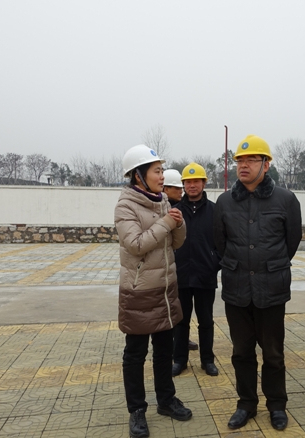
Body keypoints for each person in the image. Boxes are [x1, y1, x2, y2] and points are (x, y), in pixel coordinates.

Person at [214, 135, 302, 431]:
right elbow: (219, 243)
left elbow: (292, 241)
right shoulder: (224, 202)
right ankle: (246, 404)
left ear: (266, 164)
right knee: (241, 352)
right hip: (236, 289)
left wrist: (269, 266)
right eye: (240, 160)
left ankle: (277, 405)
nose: (244, 165)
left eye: (251, 160)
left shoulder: (285, 199)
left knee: (273, 354)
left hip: (271, 289)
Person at [115, 145, 192, 438]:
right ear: (139, 175)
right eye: (157, 171)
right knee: (135, 354)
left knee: (164, 351)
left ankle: (166, 400)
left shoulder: (162, 200)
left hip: (165, 289)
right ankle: (137, 410)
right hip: (139, 291)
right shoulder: (126, 205)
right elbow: (135, 244)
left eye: (162, 170)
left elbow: (176, 243)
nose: (162, 176)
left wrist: (178, 224)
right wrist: (166, 222)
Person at [172, 162, 221, 377]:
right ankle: (179, 360)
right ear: (183, 185)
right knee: (180, 322)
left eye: (196, 181)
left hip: (205, 275)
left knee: (206, 321)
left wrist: (214, 262)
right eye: (188, 182)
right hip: (181, 275)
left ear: (204, 183)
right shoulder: (175, 211)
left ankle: (207, 360)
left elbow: (222, 241)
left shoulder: (215, 210)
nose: (192, 185)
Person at [163, 168, 198, 351]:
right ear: (165, 189)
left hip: (181, 267)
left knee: (179, 308)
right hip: (165, 267)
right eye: (176, 188)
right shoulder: (161, 209)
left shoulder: (179, 208)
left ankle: (180, 339)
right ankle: (171, 341)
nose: (181, 191)